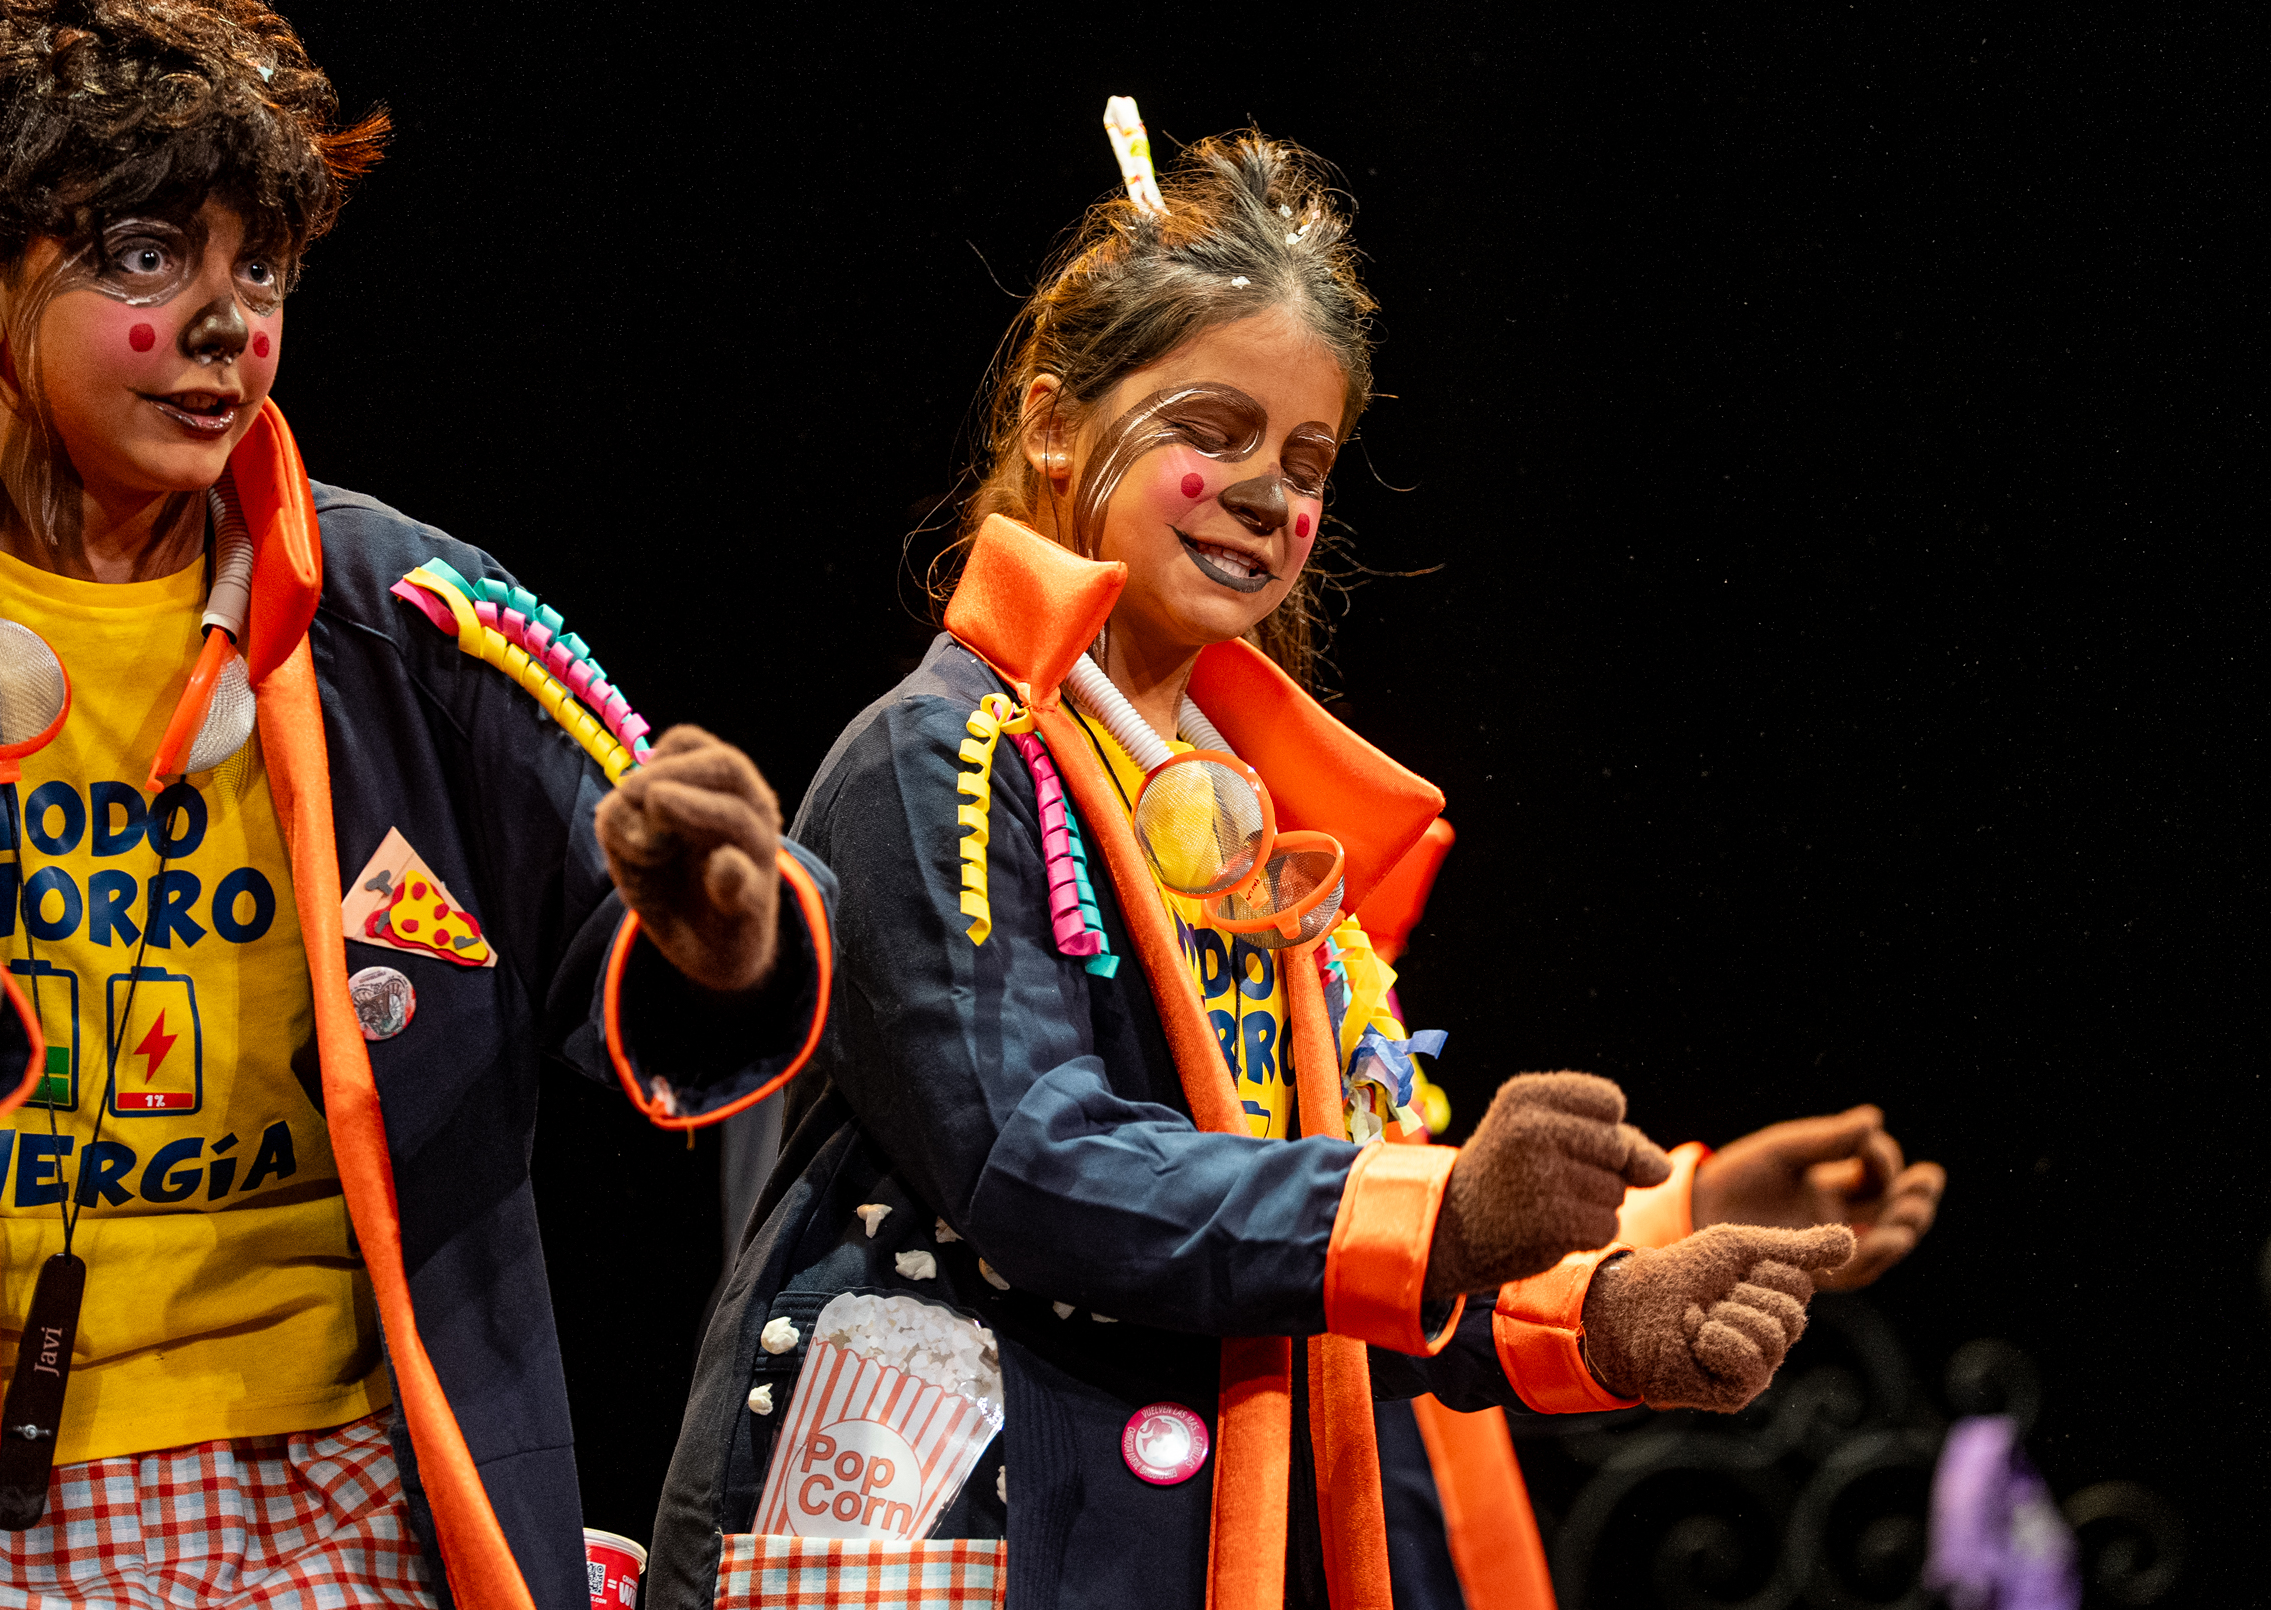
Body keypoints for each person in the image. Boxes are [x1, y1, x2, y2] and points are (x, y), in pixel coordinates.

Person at [649, 125, 1937, 1610]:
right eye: (1216, 428)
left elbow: (1339, 1211)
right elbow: (1033, 1159)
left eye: (1305, 459)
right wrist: (1443, 1213)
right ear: (1057, 423)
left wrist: (1609, 1302)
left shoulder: (1262, 827)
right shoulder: (936, 758)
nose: (1267, 491)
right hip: (947, 1535)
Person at [0, 0, 831, 1605]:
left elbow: (673, 932)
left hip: (348, 1481)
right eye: (151, 259)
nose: (229, 326)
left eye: (263, 270)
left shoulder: (414, 614)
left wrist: (724, 930)